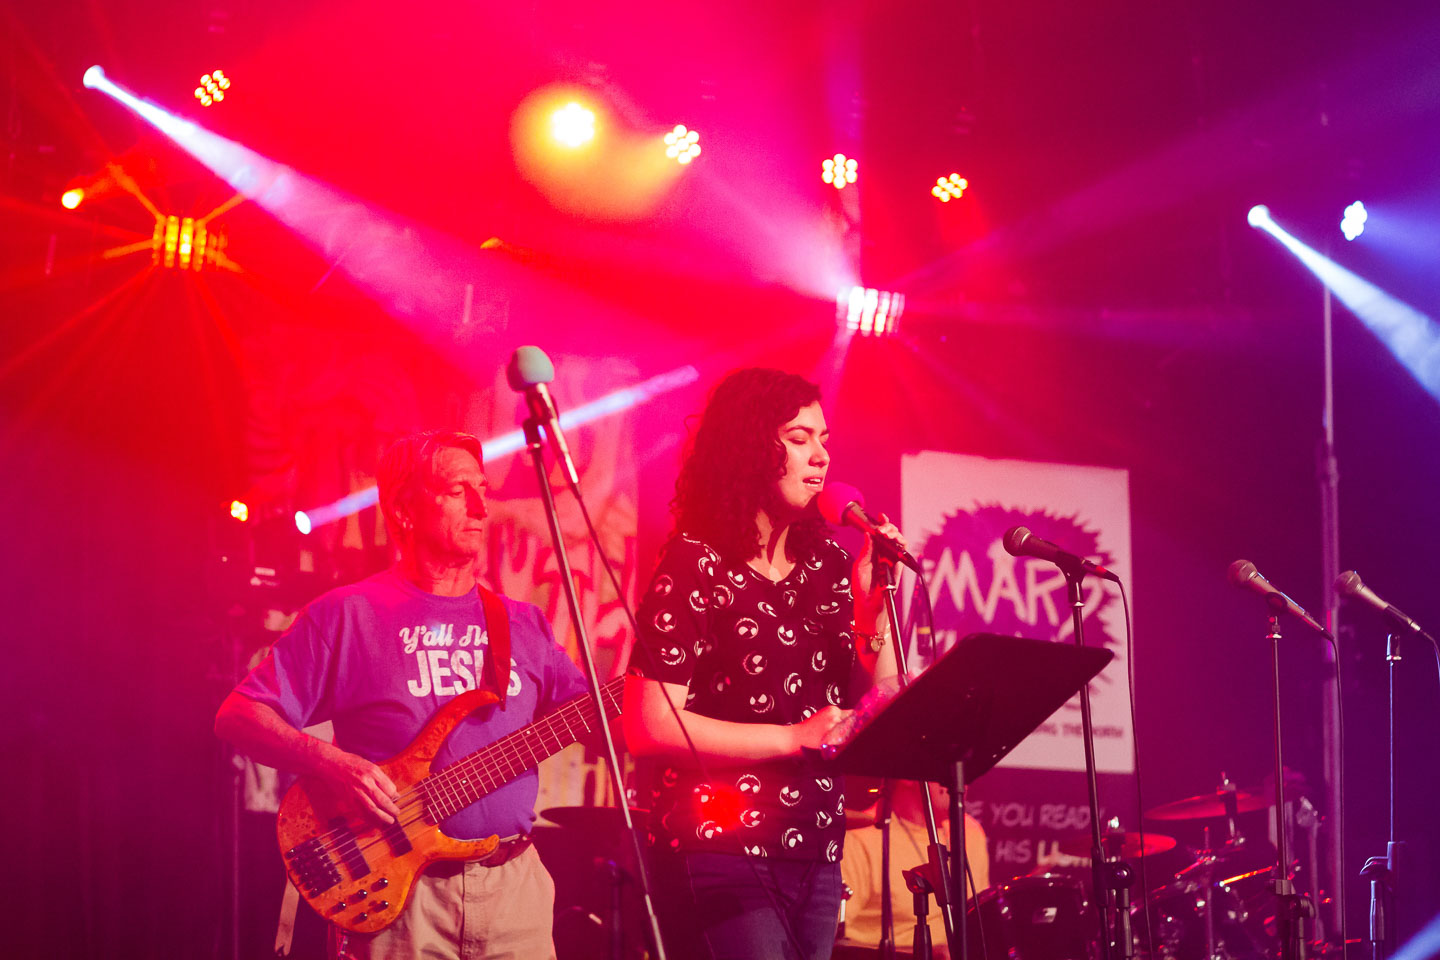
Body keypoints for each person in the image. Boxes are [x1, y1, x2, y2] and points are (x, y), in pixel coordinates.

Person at [214, 430, 588, 960]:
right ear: (403, 510)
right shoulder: (348, 615)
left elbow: (606, 723)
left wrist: (666, 688)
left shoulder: (524, 625)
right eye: (457, 490)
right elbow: (238, 715)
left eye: (482, 489)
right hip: (400, 899)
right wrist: (333, 764)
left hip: (514, 893)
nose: (480, 507)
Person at [623, 368, 904, 960]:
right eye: (799, 439)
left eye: (824, 439)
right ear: (750, 448)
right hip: (718, 850)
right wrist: (790, 738)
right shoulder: (696, 562)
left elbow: (879, 699)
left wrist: (872, 610)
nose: (821, 456)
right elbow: (649, 726)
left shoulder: (829, 565)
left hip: (817, 852)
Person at [837, 780, 990, 958]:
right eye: (945, 767)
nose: (962, 781)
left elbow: (981, 921)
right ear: (908, 778)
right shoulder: (859, 840)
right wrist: (922, 955)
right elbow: (834, 944)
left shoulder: (970, 832)